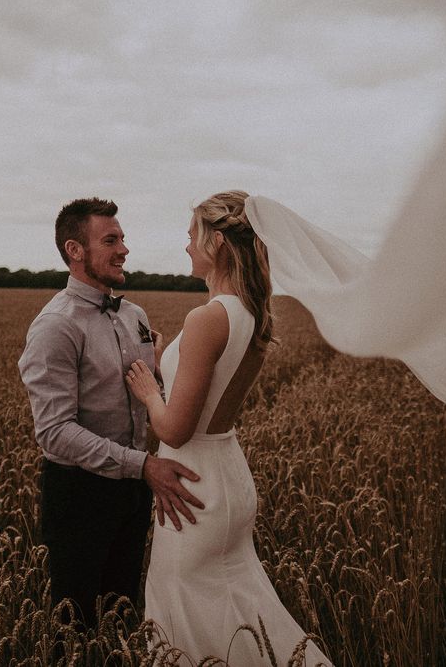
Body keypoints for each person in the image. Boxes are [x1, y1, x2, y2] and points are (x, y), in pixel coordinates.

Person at [126, 190, 332, 665]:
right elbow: (213, 393)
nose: (186, 247)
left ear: (216, 241)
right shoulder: (253, 315)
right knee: (240, 609)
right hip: (228, 479)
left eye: (191, 236)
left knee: (183, 615)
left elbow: (175, 429)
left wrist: (149, 391)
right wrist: (166, 363)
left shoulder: (206, 318)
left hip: (192, 484)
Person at [18, 197, 204, 630]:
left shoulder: (134, 315)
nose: (124, 248)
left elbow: (149, 392)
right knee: (76, 627)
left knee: (123, 616)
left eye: (122, 238)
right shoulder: (55, 326)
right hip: (80, 495)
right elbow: (55, 433)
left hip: (134, 494)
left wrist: (162, 375)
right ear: (75, 250)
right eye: (111, 240)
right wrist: (144, 466)